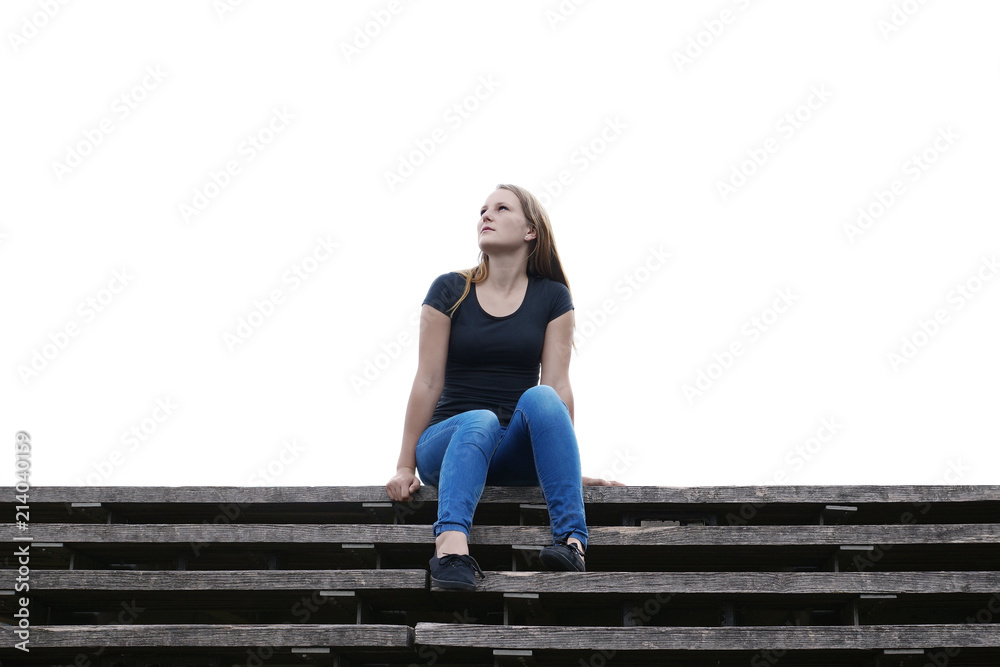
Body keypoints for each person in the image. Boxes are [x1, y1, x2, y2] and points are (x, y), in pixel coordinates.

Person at [385, 183, 623, 591]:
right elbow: (427, 380)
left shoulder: (553, 298)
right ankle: (451, 550)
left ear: (531, 230)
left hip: (512, 451)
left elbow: (558, 388)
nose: (486, 215)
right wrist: (405, 466)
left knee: (541, 396)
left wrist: (564, 466)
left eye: (500, 208)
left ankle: (572, 542)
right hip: (448, 446)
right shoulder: (449, 290)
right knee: (479, 420)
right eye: (482, 210)